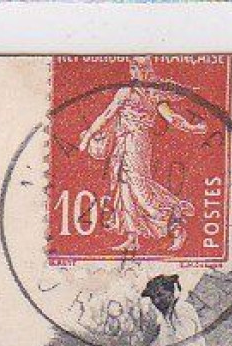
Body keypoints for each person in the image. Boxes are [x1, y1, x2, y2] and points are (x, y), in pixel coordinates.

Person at [77, 57, 207, 255]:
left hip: (138, 144)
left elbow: (171, 117)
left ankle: (175, 222)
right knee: (124, 187)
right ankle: (132, 238)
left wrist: (191, 127)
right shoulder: (125, 92)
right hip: (123, 143)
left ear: (148, 70)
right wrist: (87, 137)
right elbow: (106, 116)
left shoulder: (154, 94)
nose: (137, 71)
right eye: (134, 67)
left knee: (140, 189)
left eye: (141, 67)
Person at [135, 275, 211, 346]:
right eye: (152, 297)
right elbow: (160, 345)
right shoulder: (166, 317)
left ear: (171, 293)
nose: (156, 301)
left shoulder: (182, 309)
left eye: (160, 295)